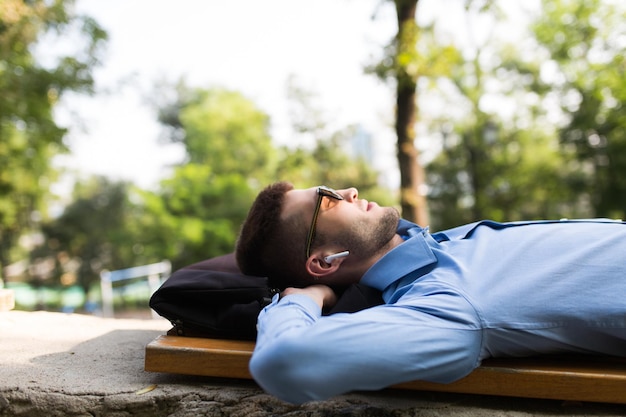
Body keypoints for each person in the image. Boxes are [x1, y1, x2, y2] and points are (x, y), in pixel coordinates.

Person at [235, 182, 626, 404]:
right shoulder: (440, 304)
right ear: (324, 262)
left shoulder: (442, 245)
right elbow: (284, 363)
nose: (348, 190)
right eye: (327, 199)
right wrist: (302, 299)